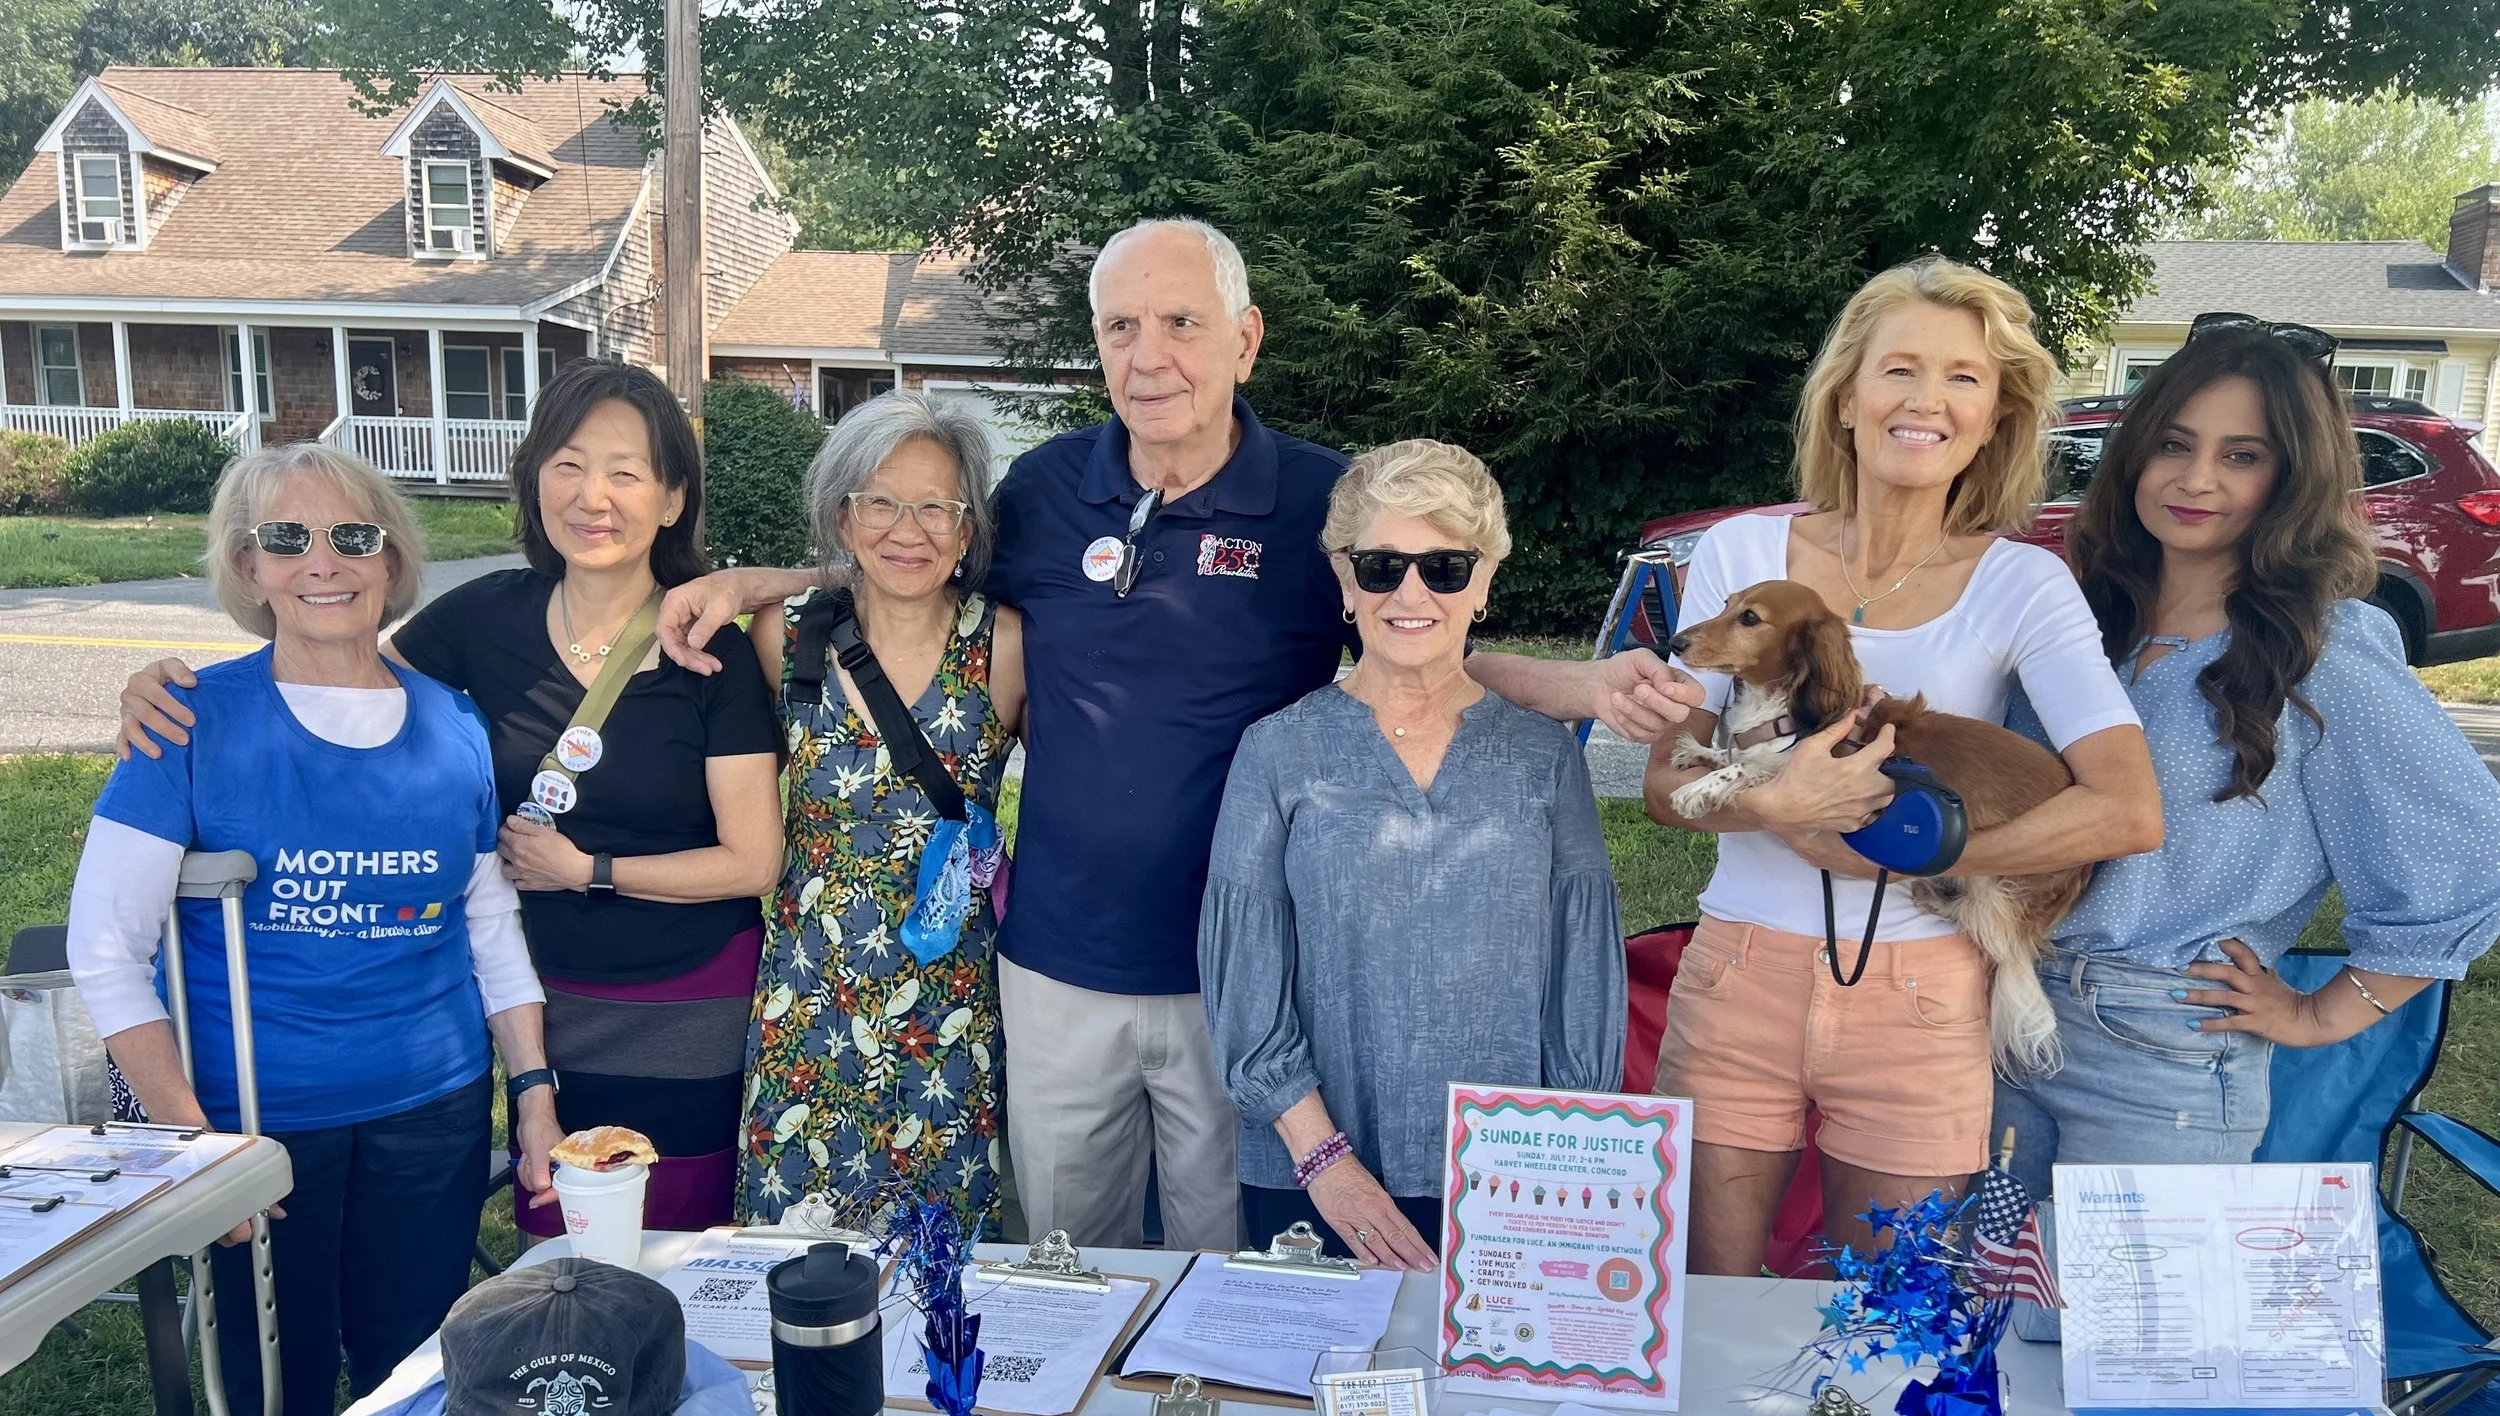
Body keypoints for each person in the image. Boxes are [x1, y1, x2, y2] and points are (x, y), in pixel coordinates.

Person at [657, 217, 1695, 1252]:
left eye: (1179, 323)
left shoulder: (1313, 503)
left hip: (1235, 979)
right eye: (1120, 327)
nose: (1148, 356)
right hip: (1059, 964)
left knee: (1219, 1261)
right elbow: (914, 570)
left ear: (1244, 341)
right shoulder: (1046, 492)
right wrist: (771, 583)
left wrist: (1577, 684)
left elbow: (1416, 644)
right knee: (1071, 1258)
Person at [118, 363, 784, 1235]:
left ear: (670, 500)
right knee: (565, 1233)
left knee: (680, 1231)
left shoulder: (710, 650)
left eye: (626, 472)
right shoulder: (480, 620)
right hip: (536, 1005)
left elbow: (752, 860)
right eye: (568, 464)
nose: (593, 495)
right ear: (535, 478)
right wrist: (174, 692)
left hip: (686, 997)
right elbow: (331, 669)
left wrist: (588, 869)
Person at [1643, 256, 2163, 1274]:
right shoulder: (1743, 550)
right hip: (1737, 974)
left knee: (1885, 1329)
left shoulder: (2023, 584)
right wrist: (1783, 806)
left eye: (1963, 378)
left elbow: (2127, 809)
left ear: (1994, 415)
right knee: (1700, 1305)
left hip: (1924, 992)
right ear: (1845, 399)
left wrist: (1915, 859)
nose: (1927, 401)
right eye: (1900, 371)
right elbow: (1666, 787)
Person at [68, 443, 558, 1416]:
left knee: (412, 1368)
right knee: (272, 1389)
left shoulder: (453, 726)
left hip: (431, 1106)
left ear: (392, 562)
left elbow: (486, 923)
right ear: (248, 569)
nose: (321, 562)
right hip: (260, 1121)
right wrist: (201, 1149)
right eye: (284, 539)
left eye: (352, 536)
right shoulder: (189, 719)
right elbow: (105, 949)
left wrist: (535, 1088)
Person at [1994, 318, 2500, 1190]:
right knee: (1976, 1309)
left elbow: (2466, 854)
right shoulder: (2075, 628)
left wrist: (2320, 1012)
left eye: (2243, 456)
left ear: (2290, 478)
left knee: (2129, 1325)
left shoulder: (2323, 652)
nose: (2196, 479)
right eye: (2175, 445)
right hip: (1994, 1015)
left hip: (2160, 1054)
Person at [1200, 441, 1626, 1268]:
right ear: (1343, 580)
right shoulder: (1277, 752)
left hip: (1515, 1185)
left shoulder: (1545, 759)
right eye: (1383, 564)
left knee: (1496, 1400)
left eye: (1445, 567)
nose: (1412, 593)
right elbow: (1244, 989)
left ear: (1487, 581)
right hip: (1313, 1177)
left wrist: (1555, 1171)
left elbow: (1583, 990)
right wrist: (1330, 1167)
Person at [736, 391, 1025, 1231]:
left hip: (951, 1003)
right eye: (882, 503)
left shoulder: (1008, 646)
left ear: (967, 530)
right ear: (843, 515)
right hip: (809, 999)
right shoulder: (781, 635)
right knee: (797, 1264)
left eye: (935, 506)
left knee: (946, 1267)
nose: (909, 530)